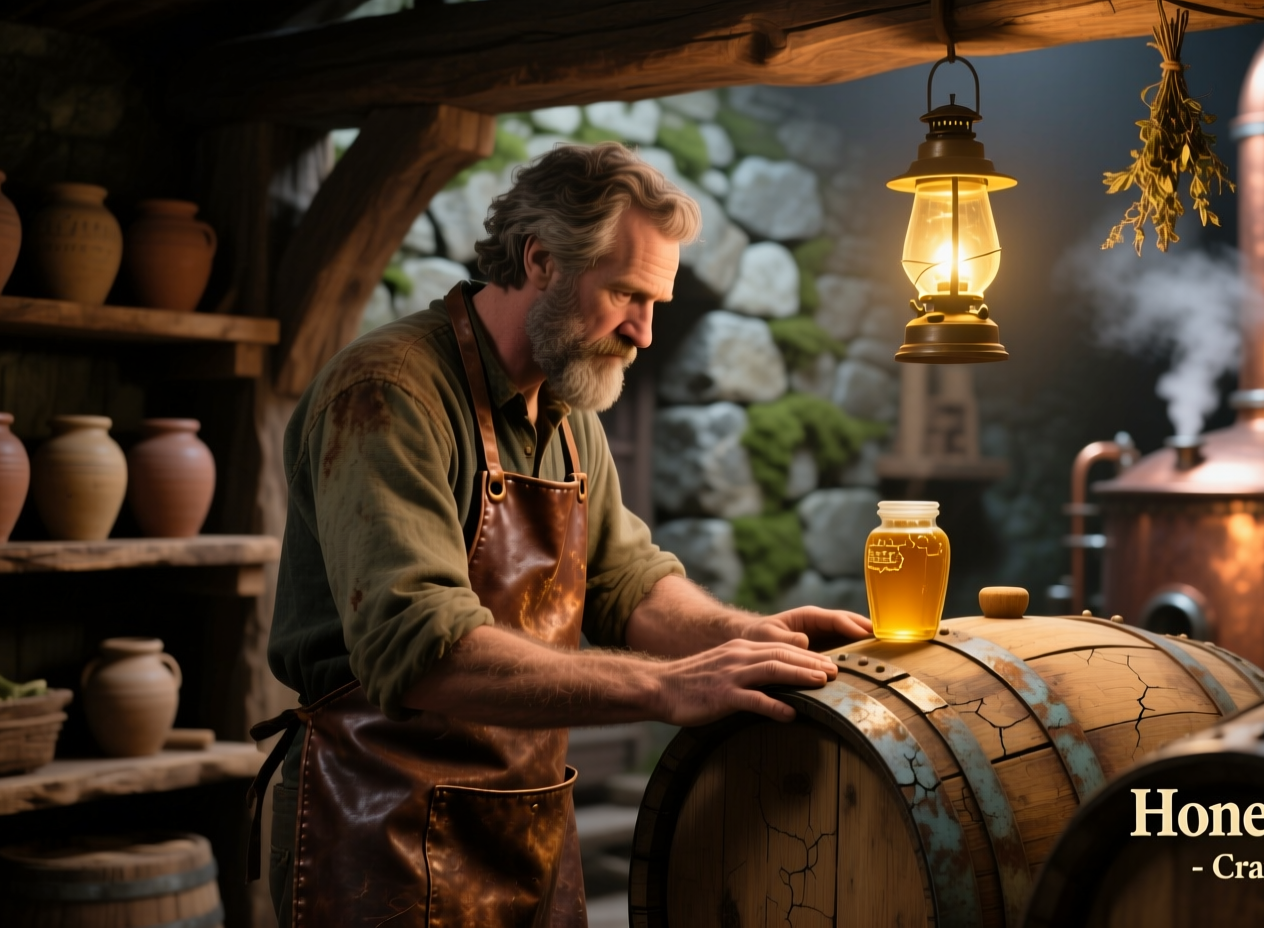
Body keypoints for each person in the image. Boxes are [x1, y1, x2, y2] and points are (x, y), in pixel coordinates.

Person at [248, 142, 872, 927]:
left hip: (529, 829)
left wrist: (747, 639)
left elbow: (627, 583)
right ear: (541, 259)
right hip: (383, 832)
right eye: (626, 294)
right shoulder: (388, 391)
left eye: (657, 303)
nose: (644, 333)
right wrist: (666, 688)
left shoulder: (569, 413)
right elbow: (422, 648)